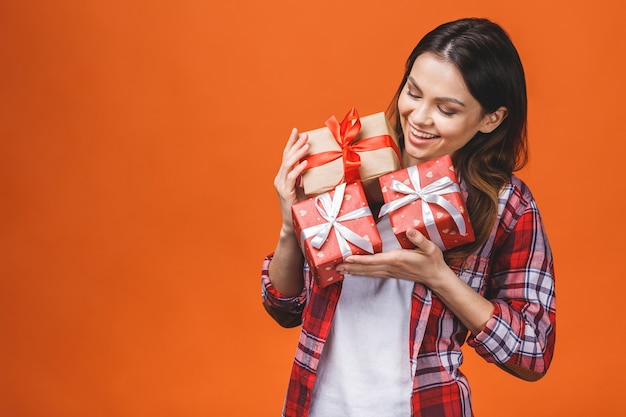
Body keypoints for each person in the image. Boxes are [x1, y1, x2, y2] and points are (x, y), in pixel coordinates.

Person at [261, 17, 556, 417]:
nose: (418, 117)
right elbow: (284, 307)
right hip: (316, 406)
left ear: (492, 118)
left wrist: (438, 277)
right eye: (413, 93)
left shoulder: (507, 204)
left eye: (447, 109)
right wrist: (288, 226)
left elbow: (532, 353)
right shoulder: (351, 161)